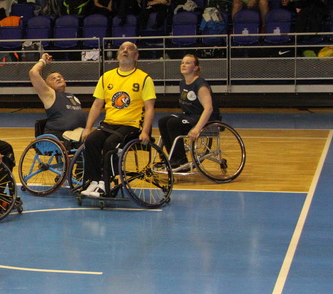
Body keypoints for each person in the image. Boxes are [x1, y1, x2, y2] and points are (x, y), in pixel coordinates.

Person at [80, 41, 156, 199]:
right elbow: (97, 105)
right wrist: (87, 128)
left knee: (110, 144)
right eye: (122, 49)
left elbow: (149, 108)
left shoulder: (144, 78)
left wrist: (146, 131)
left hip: (132, 125)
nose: (125, 51)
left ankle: (107, 182)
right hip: (109, 124)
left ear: (136, 56)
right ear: (117, 55)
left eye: (130, 49)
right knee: (91, 140)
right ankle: (94, 180)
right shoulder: (106, 77)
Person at [157, 53, 220, 172]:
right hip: (190, 116)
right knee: (163, 121)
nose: (183, 65)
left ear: (195, 68)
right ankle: (173, 157)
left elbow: (209, 109)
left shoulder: (200, 85)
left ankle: (181, 160)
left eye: (187, 63)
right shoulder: (183, 83)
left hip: (204, 118)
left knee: (173, 123)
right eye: (182, 63)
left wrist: (197, 129)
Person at [29, 52, 86, 140]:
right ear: (47, 85)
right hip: (58, 135)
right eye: (53, 78)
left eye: (60, 77)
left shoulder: (72, 97)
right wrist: (43, 61)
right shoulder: (49, 94)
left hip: (78, 133)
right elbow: (33, 73)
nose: (58, 79)